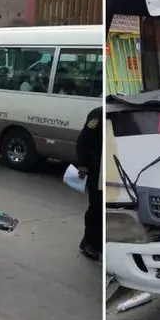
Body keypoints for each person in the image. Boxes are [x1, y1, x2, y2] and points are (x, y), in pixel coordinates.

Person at [75, 107, 103, 261]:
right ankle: (89, 243)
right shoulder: (97, 115)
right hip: (97, 168)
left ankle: (100, 242)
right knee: (96, 207)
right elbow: (83, 140)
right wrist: (83, 164)